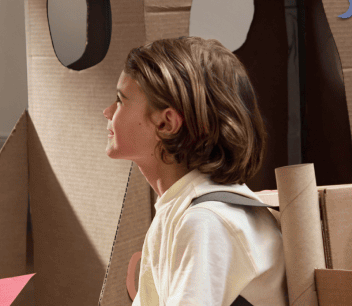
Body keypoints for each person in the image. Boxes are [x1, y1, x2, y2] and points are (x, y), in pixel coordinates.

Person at [104, 37, 285, 306]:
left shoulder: (206, 222)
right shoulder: (180, 210)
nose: (107, 111)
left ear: (166, 123)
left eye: (121, 100)